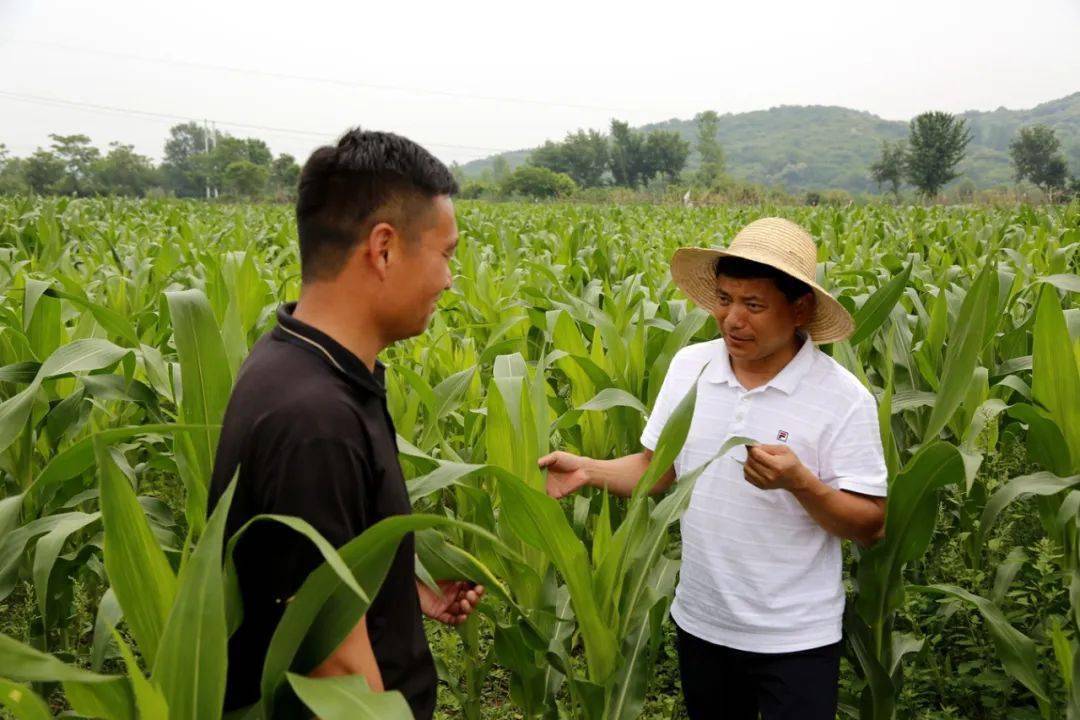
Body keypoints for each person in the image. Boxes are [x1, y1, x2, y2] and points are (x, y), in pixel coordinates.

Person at [539, 217, 887, 720]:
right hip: (702, 623)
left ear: (800, 308)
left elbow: (870, 525)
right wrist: (588, 470)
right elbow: (660, 471)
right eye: (724, 299)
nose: (732, 320)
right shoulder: (691, 366)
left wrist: (800, 484)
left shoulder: (842, 398)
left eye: (753, 305)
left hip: (796, 637)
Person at [208, 129, 483, 719]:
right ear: (383, 248)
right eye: (446, 254)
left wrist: (399, 589)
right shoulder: (314, 417)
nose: (448, 280)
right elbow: (336, 668)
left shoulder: (299, 362)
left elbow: (309, 567)